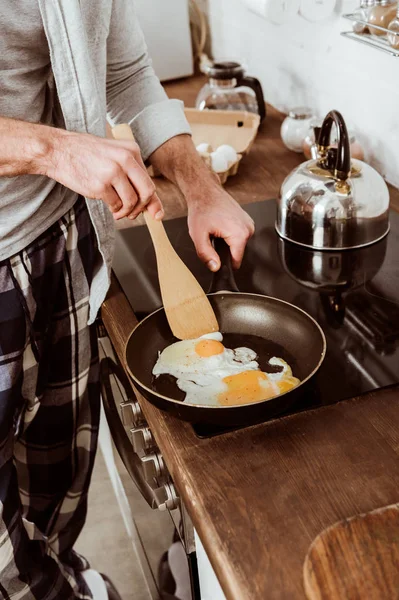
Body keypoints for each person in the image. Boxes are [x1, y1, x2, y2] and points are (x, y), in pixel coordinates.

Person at [0, 1, 255, 599]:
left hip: (69, 244)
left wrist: (201, 186)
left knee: (54, 501)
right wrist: (53, 150)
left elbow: (125, 73)